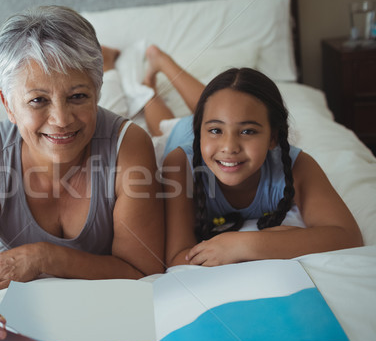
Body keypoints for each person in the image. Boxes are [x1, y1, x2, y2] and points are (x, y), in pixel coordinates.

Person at [0, 6, 164, 341]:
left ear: (97, 92)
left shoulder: (129, 147)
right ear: (8, 105)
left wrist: (46, 258)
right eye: (38, 100)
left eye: (79, 96)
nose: (61, 119)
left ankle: (121, 72)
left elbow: (143, 271)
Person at [140, 47, 364, 266]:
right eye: (215, 131)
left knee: (227, 109)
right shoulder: (180, 165)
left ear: (273, 138)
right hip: (182, 135)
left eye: (248, 131)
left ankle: (162, 64)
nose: (230, 147)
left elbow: (347, 237)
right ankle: (150, 80)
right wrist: (285, 238)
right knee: (163, 123)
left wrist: (245, 244)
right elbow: (178, 259)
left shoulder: (298, 166)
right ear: (200, 133)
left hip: (206, 135)